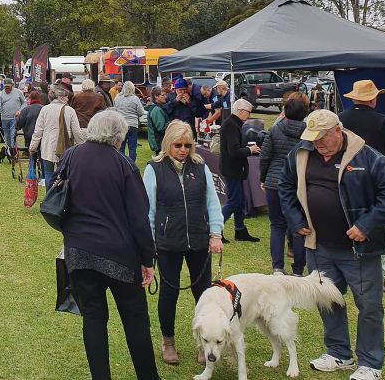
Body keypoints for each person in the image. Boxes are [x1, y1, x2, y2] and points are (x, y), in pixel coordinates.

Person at [278, 109, 385, 380]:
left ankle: (371, 363)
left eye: (322, 137)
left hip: (358, 249)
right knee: (327, 301)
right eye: (312, 138)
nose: (317, 143)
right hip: (318, 245)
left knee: (369, 306)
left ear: (338, 130)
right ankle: (339, 354)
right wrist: (295, 218)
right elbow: (285, 187)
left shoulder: (369, 157)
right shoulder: (301, 153)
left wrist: (366, 225)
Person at [60, 111, 159, 380]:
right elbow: (140, 219)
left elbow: (57, 199)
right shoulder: (124, 165)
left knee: (93, 318)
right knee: (135, 320)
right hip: (119, 254)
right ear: (118, 137)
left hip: (79, 251)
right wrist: (148, 260)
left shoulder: (71, 156)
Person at [143, 119, 223, 366]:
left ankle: (204, 342)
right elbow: (148, 210)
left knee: (204, 294)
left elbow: (212, 202)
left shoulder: (200, 167)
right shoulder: (153, 168)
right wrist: (149, 243)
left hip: (199, 239)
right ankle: (168, 341)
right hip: (167, 241)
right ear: (168, 143)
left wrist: (216, 233)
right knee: (169, 293)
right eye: (178, 144)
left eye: (188, 145)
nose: (183, 150)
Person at [337, 80, 385, 294]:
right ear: (373, 98)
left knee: (344, 219)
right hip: (376, 178)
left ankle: (345, 268)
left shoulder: (340, 119)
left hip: (345, 177)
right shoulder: (382, 121)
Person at [258, 92, 309, 275]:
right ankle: (297, 270)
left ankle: (277, 267)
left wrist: (263, 178)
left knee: (277, 225)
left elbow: (265, 157)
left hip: (275, 181)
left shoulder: (275, 129)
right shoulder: (308, 132)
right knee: (299, 226)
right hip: (297, 183)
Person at [219, 97, 260, 242]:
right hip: (232, 169)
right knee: (234, 201)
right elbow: (234, 151)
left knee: (239, 201)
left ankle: (240, 230)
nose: (249, 115)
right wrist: (250, 150)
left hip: (234, 168)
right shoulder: (231, 125)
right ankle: (215, 230)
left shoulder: (232, 123)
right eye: (248, 112)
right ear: (241, 111)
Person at [29, 85, 81, 189]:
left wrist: (33, 147)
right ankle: (60, 198)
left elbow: (38, 131)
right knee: (64, 174)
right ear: (61, 97)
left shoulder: (45, 109)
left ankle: (49, 198)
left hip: (48, 145)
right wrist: (82, 145)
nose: (68, 99)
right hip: (65, 146)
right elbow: (77, 131)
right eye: (66, 97)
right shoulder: (70, 110)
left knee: (48, 173)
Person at [113, 81, 144, 161]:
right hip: (133, 125)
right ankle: (131, 164)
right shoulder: (135, 99)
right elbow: (141, 112)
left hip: (121, 124)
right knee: (132, 147)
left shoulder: (117, 97)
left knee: (121, 146)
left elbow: (115, 109)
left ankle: (121, 163)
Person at [0, 78, 27, 150]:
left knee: (13, 135)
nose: (7, 89)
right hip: (4, 119)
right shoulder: (1, 94)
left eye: (8, 87)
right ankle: (10, 150)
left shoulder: (18, 92)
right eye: (5, 87)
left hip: (14, 118)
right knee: (7, 136)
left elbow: (24, 103)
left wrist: (20, 111)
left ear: (12, 85)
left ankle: (13, 152)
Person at [145, 87, 169, 155]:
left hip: (159, 142)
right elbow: (161, 128)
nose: (165, 97)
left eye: (165, 94)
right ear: (156, 96)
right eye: (163, 95)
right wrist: (172, 123)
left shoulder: (157, 108)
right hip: (159, 143)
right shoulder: (156, 110)